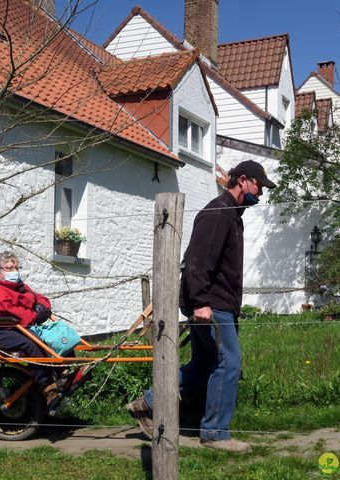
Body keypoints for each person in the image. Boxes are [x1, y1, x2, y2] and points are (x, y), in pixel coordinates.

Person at [126, 160, 276, 453]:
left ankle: (149, 403)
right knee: (228, 363)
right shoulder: (219, 212)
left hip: (217, 304)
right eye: (259, 186)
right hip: (211, 305)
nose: (261, 193)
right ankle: (215, 434)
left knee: (205, 364)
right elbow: (198, 261)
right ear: (243, 181)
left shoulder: (232, 214)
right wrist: (202, 303)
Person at [0, 251, 60, 403]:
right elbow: (12, 312)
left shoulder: (18, 286)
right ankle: (47, 388)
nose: (15, 271)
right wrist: (34, 315)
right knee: (32, 344)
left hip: (14, 327)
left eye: (16, 267)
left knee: (58, 334)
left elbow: (38, 297)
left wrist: (43, 307)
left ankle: (64, 371)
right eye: (9, 268)